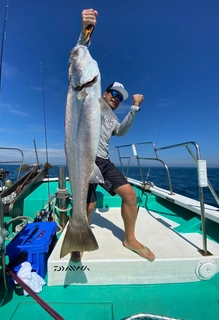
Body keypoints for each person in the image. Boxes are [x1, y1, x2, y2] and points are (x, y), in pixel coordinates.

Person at [71, 9, 155, 262]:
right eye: (114, 94)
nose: (116, 99)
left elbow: (120, 132)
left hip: (104, 161)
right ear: (104, 91)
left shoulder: (113, 116)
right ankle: (78, 239)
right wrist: (86, 31)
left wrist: (135, 109)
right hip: (85, 158)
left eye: (120, 98)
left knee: (130, 195)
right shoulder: (92, 101)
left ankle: (129, 238)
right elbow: (80, 69)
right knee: (88, 204)